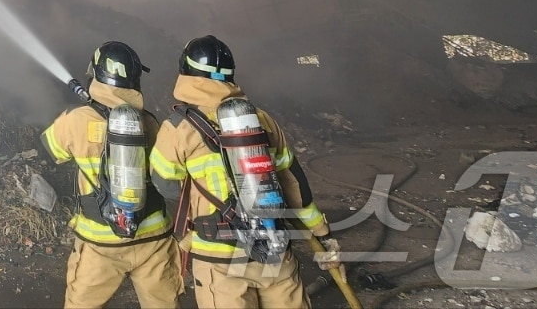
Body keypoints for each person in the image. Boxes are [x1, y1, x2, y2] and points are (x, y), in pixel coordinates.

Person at [149, 35, 340, 309]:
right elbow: (295, 185)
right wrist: (322, 234)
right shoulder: (261, 119)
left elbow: (165, 185)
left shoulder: (177, 129)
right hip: (274, 246)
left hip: (219, 258)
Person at [41, 41, 183, 309]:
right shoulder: (150, 122)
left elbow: (52, 149)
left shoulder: (76, 119)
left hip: (100, 241)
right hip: (153, 236)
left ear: (96, 73)